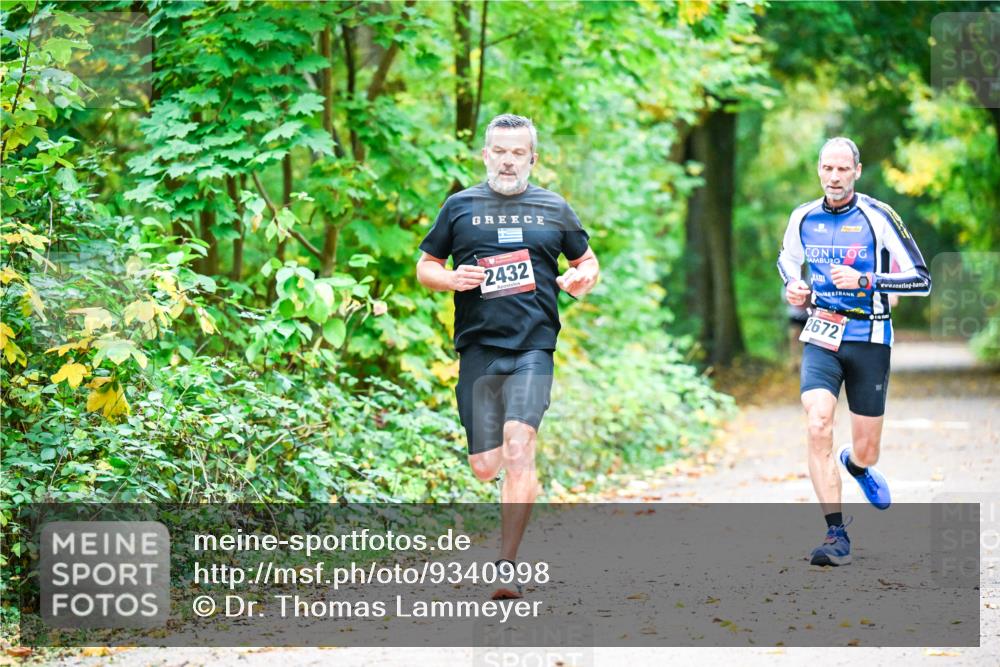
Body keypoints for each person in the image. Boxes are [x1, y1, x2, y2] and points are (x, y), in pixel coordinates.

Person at [416, 114, 599, 597]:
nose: (508, 160)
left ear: (533, 159)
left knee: (520, 447)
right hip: (478, 347)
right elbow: (426, 265)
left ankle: (507, 565)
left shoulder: (553, 208)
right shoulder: (460, 207)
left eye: (518, 152)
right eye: (500, 150)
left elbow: (586, 261)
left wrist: (581, 279)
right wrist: (450, 279)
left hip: (533, 346)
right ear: (486, 155)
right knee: (485, 465)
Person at [776, 137, 931, 566]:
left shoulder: (878, 217)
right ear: (819, 170)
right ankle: (834, 533)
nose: (834, 177)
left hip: (871, 336)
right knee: (818, 421)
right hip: (823, 333)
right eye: (828, 168)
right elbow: (787, 260)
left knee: (867, 449)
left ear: (857, 171)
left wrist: (866, 282)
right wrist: (793, 285)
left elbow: (921, 279)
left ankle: (858, 466)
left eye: (843, 169)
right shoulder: (803, 217)